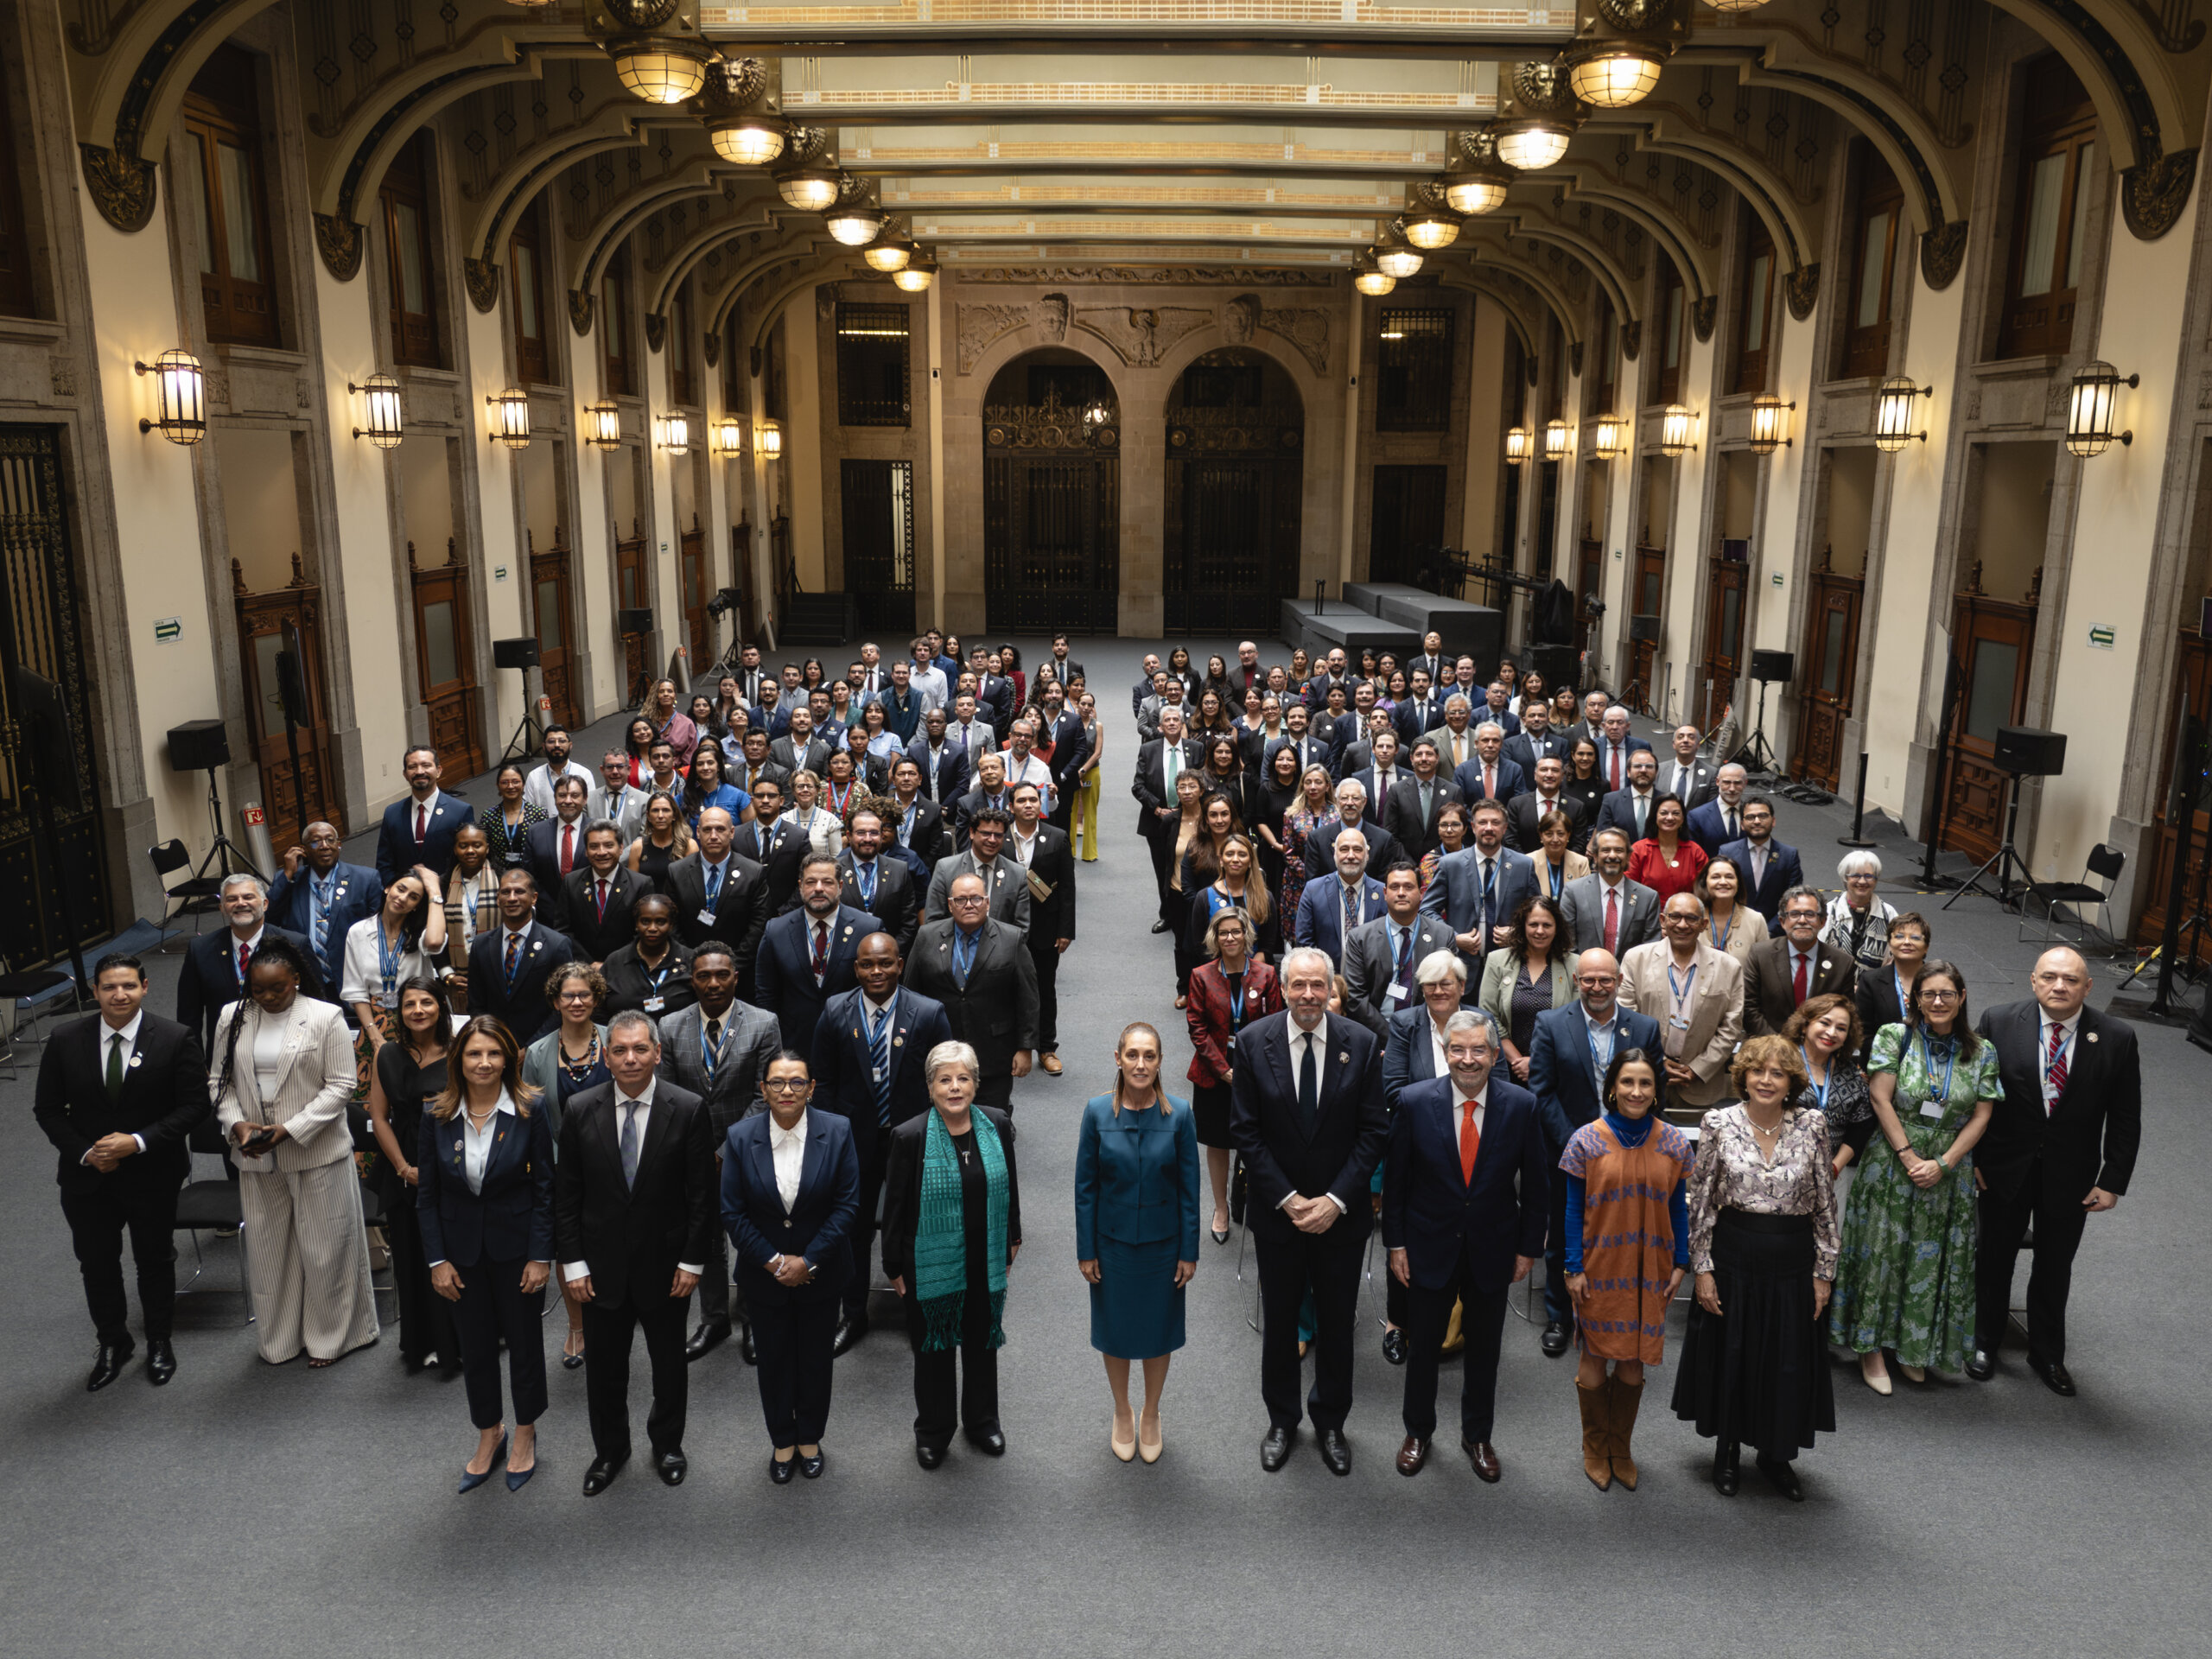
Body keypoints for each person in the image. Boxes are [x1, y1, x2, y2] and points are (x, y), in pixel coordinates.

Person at [1230, 948, 1389, 1477]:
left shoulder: (1363, 1045)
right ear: (1284, 987)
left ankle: (1330, 1422)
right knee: (1279, 1324)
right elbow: (1245, 1133)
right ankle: (1281, 1420)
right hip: (1280, 1216)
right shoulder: (1254, 1043)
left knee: (1337, 1325)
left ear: (1330, 989)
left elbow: (1372, 1134)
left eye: (1318, 986)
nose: (1308, 995)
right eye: (1298, 985)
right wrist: (1289, 1198)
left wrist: (1336, 1200)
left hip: (1339, 1219)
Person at [1381, 1007, 1547, 1481]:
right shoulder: (1413, 1102)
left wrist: (1527, 1248)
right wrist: (1396, 1245)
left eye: (1478, 1050)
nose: (1467, 1059)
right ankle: (1418, 1432)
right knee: (1424, 1346)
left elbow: (1535, 1186)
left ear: (1495, 1055)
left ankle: (1478, 1435)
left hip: (1494, 1247)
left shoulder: (1521, 1105)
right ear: (1445, 1052)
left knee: (1485, 1351)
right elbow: (1396, 1184)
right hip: (1428, 1245)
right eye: (1458, 1049)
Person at [555, 1011, 716, 1496]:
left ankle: (667, 1444)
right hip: (599, 1270)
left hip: (667, 1270)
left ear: (657, 1053)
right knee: (605, 1369)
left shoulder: (688, 1108)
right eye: (620, 1050)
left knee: (669, 1366)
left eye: (640, 1049)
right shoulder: (580, 1108)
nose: (630, 1058)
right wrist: (574, 1264)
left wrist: (692, 1262)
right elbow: (566, 1197)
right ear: (606, 1055)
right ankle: (610, 1450)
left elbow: (702, 1196)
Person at [1672, 1036, 1839, 1501]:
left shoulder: (1813, 1124)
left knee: (1786, 1360)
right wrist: (1701, 1269)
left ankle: (1775, 1454)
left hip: (1792, 1258)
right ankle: (1727, 1451)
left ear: (1792, 1082)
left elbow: (1825, 1201)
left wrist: (1824, 1271)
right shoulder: (1718, 1122)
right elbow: (1700, 1200)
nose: (1766, 1080)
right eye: (1758, 1071)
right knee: (1734, 1353)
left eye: (1778, 1073)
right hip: (1733, 1256)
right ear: (1743, 1076)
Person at [1967, 946, 2139, 1395]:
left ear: (2088, 986)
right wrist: (1974, 1161)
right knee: (1993, 1257)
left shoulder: (2117, 1037)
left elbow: (2125, 1117)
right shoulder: (1998, 1022)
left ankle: (2046, 1353)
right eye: (2049, 977)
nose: (2058, 986)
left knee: (2054, 1266)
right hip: (2003, 1168)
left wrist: (2111, 1180)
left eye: (2069, 979)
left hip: (2073, 1176)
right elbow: (1975, 1100)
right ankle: (1983, 1341)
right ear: (2033, 981)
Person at [34, 953, 207, 1391]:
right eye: (109, 987)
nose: (119, 994)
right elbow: (48, 1109)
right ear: (94, 992)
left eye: (128, 985)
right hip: (87, 1177)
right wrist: (86, 1153)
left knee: (155, 1260)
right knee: (97, 1264)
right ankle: (113, 1342)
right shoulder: (65, 1038)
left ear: (145, 987)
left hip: (152, 1174)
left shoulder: (174, 1037)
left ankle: (159, 1341)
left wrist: (137, 1141)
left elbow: (193, 1106)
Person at [209, 938, 378, 1367]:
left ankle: (330, 1339)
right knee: (270, 1253)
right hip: (255, 1155)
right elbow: (219, 1083)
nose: (266, 998)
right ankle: (281, 1339)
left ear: (296, 981)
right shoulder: (233, 1016)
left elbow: (343, 1085)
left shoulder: (325, 1017)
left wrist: (289, 1129)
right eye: (258, 989)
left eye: (277, 989)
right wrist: (237, 1125)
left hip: (317, 1151)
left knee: (325, 1252)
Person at [418, 1015, 556, 1493]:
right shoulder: (436, 1113)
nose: (484, 1063)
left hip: (517, 1251)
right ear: (459, 1059)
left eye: (494, 1053)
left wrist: (542, 1255)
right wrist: (437, 1260)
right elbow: (428, 1196)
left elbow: (546, 1189)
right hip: (460, 1256)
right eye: (474, 1053)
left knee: (524, 1344)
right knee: (474, 1349)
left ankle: (524, 1433)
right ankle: (488, 1432)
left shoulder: (529, 1109)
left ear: (508, 1059)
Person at [720, 1051, 860, 1483]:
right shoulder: (740, 1137)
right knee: (775, 1361)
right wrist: (776, 1261)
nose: (786, 1091)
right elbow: (732, 1212)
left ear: (811, 1088)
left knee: (816, 1359)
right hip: (765, 1276)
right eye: (777, 1082)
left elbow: (847, 1205)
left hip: (822, 1272)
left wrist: (810, 1259)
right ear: (763, 1089)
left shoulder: (837, 1131)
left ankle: (809, 1439)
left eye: (797, 1082)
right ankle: (782, 1439)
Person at [883, 1041, 1022, 1466]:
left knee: (982, 1343)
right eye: (945, 1080)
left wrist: (1012, 1234)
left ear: (976, 1084)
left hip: (985, 1258)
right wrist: (892, 1264)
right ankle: (934, 1430)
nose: (955, 1088)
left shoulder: (996, 1124)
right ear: (930, 1088)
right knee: (933, 1350)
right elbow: (894, 1209)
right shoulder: (910, 1136)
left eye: (963, 1078)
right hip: (928, 1264)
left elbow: (1009, 1185)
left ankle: (982, 1423)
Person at [812, 934, 954, 1352]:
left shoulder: (929, 1013)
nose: (877, 972)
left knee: (916, 1229)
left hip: (913, 1140)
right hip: (852, 1142)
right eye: (868, 965)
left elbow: (946, 1082)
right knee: (852, 1230)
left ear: (899, 964)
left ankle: (918, 1312)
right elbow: (823, 1084)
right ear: (856, 969)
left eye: (885, 964)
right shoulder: (835, 1010)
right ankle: (853, 1314)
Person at [1560, 1048, 1693, 1490]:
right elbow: (1573, 1208)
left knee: (1635, 1360)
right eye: (1628, 1082)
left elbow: (1678, 1206)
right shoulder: (1586, 1139)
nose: (1636, 1091)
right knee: (1596, 1353)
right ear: (1612, 1088)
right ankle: (1595, 1447)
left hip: (1652, 1267)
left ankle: (1621, 1447)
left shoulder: (1674, 1142)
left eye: (1646, 1083)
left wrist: (1681, 1262)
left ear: (1657, 1092)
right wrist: (1573, 1266)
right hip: (1600, 1265)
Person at [1528, 950, 1665, 1357]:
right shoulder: (1551, 1024)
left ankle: (1616, 1314)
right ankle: (1558, 1317)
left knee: (1622, 1234)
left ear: (1619, 979)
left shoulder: (1644, 1028)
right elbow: (1542, 1089)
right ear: (1576, 980)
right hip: (1568, 1149)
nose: (1597, 988)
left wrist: (1628, 1143)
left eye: (1605, 980)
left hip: (1630, 1152)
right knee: (1564, 1235)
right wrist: (1578, 1145)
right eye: (1589, 980)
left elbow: (1655, 1093)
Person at [1076, 1024, 1201, 1464]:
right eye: (1132, 1055)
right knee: (1116, 1331)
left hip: (1163, 1248)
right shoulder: (1096, 1113)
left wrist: (1190, 1251)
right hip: (1110, 1246)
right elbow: (1085, 1188)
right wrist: (1085, 1249)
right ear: (1117, 1058)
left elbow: (1190, 1189)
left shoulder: (1180, 1114)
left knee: (1157, 1331)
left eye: (1149, 1055)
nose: (1141, 1064)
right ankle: (1121, 1410)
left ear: (1160, 1061)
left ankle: (1150, 1412)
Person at [657, 943, 784, 1362]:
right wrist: (699, 1150)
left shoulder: (764, 1023)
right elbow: (669, 1096)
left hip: (748, 1149)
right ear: (692, 979)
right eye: (703, 976)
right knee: (705, 1236)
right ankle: (713, 1318)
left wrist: (727, 1148)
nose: (713, 984)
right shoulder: (671, 1026)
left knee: (750, 1236)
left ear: (735, 976)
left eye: (721, 975)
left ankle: (752, 1318)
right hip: (691, 1153)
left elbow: (765, 1094)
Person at [365, 976, 460, 1376]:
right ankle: (420, 1342)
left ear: (441, 1006)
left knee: (453, 1258)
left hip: (451, 1168)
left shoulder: (459, 1053)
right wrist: (403, 1167)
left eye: (426, 1002)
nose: (418, 1011)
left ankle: (456, 1343)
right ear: (398, 1012)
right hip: (402, 1168)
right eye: (409, 1005)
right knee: (410, 1258)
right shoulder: (387, 1054)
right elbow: (378, 1116)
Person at [1185, 907, 1282, 1243]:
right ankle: (1221, 1208)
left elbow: (1277, 1024)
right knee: (1218, 1140)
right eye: (1223, 932)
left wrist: (1252, 1068)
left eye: (1236, 932)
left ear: (1246, 935)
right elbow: (1197, 1028)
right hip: (1215, 1066)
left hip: (1258, 1063)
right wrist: (1225, 1070)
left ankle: (1254, 1204)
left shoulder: (1267, 974)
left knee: (1258, 1136)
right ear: (1215, 937)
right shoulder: (1201, 975)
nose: (1230, 938)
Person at [906, 874, 1039, 1108]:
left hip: (994, 1050)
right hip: (941, 1047)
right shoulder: (927, 936)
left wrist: (1025, 1047)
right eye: (961, 900)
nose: (969, 905)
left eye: (976, 899)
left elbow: (1028, 998)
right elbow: (910, 994)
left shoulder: (1011, 939)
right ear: (950, 905)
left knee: (993, 1119)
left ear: (987, 903)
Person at [1619, 893, 1746, 1117]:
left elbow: (1732, 1027)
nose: (1682, 925)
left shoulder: (1729, 967)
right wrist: (1658, 1061)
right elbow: (1625, 1017)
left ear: (1703, 924)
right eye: (1675, 917)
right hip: (1645, 1079)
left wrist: (1699, 1068)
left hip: (1702, 1084)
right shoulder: (1635, 959)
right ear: (1662, 920)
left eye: (1691, 919)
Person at [175, 872, 327, 1053]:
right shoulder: (200, 949)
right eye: (232, 899)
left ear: (265, 904)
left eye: (248, 897)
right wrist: (197, 1065)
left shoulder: (294, 944)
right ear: (222, 908)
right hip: (227, 1053)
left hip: (287, 1049)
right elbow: (189, 1015)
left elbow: (317, 1002)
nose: (240, 903)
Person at [756, 853, 880, 1054]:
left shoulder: (867, 929)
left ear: (840, 887)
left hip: (854, 1042)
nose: (819, 888)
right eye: (811, 882)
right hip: (794, 1045)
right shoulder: (776, 930)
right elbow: (766, 995)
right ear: (800, 886)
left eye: (827, 882)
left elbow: (879, 991)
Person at [1421, 800, 1538, 983]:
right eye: (1483, 822)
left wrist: (1518, 932)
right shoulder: (1451, 864)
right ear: (1473, 827)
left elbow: (1538, 914)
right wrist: (1453, 937)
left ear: (1505, 828)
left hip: (1510, 966)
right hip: (1461, 968)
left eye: (1495, 823)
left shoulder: (1523, 865)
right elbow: (1427, 910)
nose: (1489, 828)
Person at [1787, 994, 1876, 1233]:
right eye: (1824, 1023)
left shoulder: (1850, 1073)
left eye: (1841, 1028)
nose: (1831, 1032)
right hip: (1781, 1170)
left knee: (1827, 1245)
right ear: (1805, 1024)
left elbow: (1861, 1129)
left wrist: (1834, 1168)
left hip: (1832, 1174)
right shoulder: (1782, 1062)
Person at [340, 866, 448, 1062]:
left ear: (417, 905)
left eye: (414, 897)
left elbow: (434, 941)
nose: (404, 898)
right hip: (375, 1022)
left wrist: (434, 891)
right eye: (401, 889)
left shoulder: (420, 933)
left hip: (418, 1019)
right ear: (388, 888)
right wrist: (374, 1036)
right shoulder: (359, 932)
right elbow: (356, 991)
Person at [268, 822, 382, 1000]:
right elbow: (269, 919)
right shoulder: (290, 881)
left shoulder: (365, 879)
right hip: (306, 977)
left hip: (352, 974)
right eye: (315, 842)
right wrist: (287, 874)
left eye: (330, 840)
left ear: (339, 845)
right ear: (303, 849)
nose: (324, 846)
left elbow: (379, 929)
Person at [1342, 861, 1457, 1036]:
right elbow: (1355, 997)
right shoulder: (1360, 938)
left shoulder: (1443, 935)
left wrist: (1417, 1033)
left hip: (1427, 1033)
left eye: (1409, 887)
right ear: (1385, 893)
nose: (1401, 893)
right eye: (1395, 887)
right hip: (1374, 1034)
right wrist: (1392, 1035)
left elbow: (1448, 993)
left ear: (1421, 893)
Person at [465, 870, 575, 1046]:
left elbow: (563, 1005)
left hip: (542, 1047)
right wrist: (493, 1041)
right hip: (494, 1045)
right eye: (506, 892)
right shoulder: (481, 945)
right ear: (498, 898)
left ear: (534, 898)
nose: (512, 898)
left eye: (520, 891)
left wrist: (531, 1047)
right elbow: (476, 1004)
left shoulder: (557, 945)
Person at [1478, 893, 1578, 1086]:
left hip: (1556, 1068)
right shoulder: (1497, 961)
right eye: (1533, 925)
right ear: (1523, 926)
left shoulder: (1574, 964)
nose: (1540, 931)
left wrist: (1537, 1063)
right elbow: (1488, 1016)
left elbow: (1574, 1020)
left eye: (1547, 925)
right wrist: (1519, 1062)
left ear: (1557, 928)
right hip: (1506, 1068)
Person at [1744, 886, 1858, 1036]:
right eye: (1795, 914)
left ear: (1822, 921)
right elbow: (1749, 1009)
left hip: (1820, 1048)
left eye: (1810, 914)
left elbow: (1844, 1014)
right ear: (1782, 921)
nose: (1802, 920)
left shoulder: (1842, 963)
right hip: (1767, 1048)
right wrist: (1779, 1047)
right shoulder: (1760, 954)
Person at [376, 745, 477, 884]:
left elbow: (469, 859)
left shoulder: (460, 811)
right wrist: (395, 890)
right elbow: (384, 863)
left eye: (426, 765)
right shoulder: (392, 813)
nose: (419, 771)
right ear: (405, 774)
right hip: (405, 898)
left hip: (448, 894)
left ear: (438, 771)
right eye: (412, 767)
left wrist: (438, 887)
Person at [558, 821, 650, 965]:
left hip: (626, 968)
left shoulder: (641, 884)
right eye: (594, 847)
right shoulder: (571, 882)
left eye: (609, 845)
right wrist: (588, 963)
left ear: (621, 848)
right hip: (581, 969)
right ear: (586, 852)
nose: (601, 852)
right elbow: (563, 931)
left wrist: (612, 964)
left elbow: (643, 934)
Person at [1293, 831, 1387, 970]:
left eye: (1357, 849)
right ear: (1334, 854)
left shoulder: (1382, 892)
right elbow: (1305, 943)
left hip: (1371, 982)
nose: (1350, 856)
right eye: (1344, 849)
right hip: (1328, 981)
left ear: (1367, 855)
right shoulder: (1313, 890)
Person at [1560, 829, 1662, 958]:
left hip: (1629, 976)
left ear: (1628, 856)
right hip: (1585, 975)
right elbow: (1568, 944)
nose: (1612, 856)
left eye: (1619, 850)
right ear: (1595, 857)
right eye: (1606, 850)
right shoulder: (1573, 892)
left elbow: (1650, 948)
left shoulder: (1647, 898)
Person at [600, 894, 697, 1025]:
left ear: (671, 925)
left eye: (660, 922)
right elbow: (598, 1009)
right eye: (645, 921)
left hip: (679, 1041)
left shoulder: (690, 959)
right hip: (625, 1041)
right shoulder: (615, 961)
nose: (652, 928)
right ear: (636, 924)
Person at [1716, 795, 1802, 932]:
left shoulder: (1789, 855)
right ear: (1742, 824)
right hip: (1733, 929)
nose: (1757, 821)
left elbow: (1792, 899)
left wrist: (1768, 931)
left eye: (1762, 816)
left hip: (1775, 932)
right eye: (1750, 817)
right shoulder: (1727, 852)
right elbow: (1721, 894)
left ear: (1773, 821)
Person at [1855, 910, 1930, 1064]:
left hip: (1931, 1061)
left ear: (1926, 947)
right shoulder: (1871, 981)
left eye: (1915, 938)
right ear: (1890, 944)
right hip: (1882, 1063)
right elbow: (1862, 1033)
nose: (1907, 942)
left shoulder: (1940, 981)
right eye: (1899, 936)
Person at [1276, 763, 1336, 929]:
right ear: (1302, 785)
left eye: (1318, 782)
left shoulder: (1338, 814)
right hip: (1298, 882)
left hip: (1331, 880)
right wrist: (1310, 874)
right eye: (1308, 782)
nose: (1313, 787)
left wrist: (1325, 875)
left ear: (1327, 786)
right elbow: (1288, 852)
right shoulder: (1292, 814)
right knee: (1300, 929)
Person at [1823, 849, 1897, 972]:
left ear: (1876, 880)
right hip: (1832, 985)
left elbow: (1896, 956)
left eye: (1868, 876)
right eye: (1856, 876)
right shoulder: (1828, 912)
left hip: (1873, 988)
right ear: (1845, 878)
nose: (1862, 881)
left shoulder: (1889, 914)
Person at [1624, 793, 1707, 901]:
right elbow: (1629, 889)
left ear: (1682, 819)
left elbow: (1704, 889)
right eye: (1664, 813)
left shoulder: (1695, 852)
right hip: (1646, 915)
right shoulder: (1639, 850)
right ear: (1655, 817)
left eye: (1676, 813)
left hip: (1684, 915)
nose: (1669, 818)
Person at [1694, 856, 1764, 971]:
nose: (1723, 882)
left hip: (1743, 988)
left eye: (1729, 877)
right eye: (1716, 877)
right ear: (1705, 882)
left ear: (1738, 883)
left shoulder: (1756, 920)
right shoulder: (1693, 917)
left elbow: (1763, 965)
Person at [623, 789, 695, 889]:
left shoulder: (688, 845)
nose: (660, 816)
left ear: (674, 815)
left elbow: (692, 887)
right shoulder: (638, 847)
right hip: (645, 902)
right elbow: (632, 888)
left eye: (666, 810)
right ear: (648, 816)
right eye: (655, 810)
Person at [482, 763, 546, 872]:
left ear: (523, 784)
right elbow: (485, 850)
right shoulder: (489, 816)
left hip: (531, 874)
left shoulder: (538, 814)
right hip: (499, 875)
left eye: (515, 782)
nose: (510, 786)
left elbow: (544, 849)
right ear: (498, 786)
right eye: (504, 782)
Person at [1685, 761, 1751, 858]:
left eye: (1737, 783)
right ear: (1717, 782)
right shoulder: (1697, 817)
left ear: (1745, 783)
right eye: (1727, 782)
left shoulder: (1753, 814)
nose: (1732, 788)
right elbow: (1693, 855)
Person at [1525, 806, 1592, 901]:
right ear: (1541, 835)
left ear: (1568, 835)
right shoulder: (1528, 862)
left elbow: (1586, 900)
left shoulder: (1581, 863)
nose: (1555, 839)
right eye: (1549, 834)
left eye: (1560, 834)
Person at [1071, 690, 1105, 861]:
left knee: (1090, 811)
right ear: (1077, 704)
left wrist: (1082, 771)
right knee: (1071, 811)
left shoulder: (1097, 725)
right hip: (1072, 772)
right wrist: (1074, 771)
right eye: (1082, 704)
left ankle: (1090, 852)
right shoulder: (1070, 723)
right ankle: (1069, 851)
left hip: (1091, 771)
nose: (1085, 707)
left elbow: (1097, 753)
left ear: (1093, 707)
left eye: (1089, 705)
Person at [1560, 736, 1606, 831]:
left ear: (1595, 757)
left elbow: (1603, 818)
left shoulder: (1603, 785)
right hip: (1564, 833)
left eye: (1590, 754)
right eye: (1580, 754)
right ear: (1573, 756)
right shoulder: (1561, 782)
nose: (1585, 758)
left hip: (1591, 837)